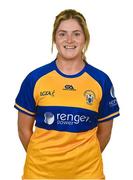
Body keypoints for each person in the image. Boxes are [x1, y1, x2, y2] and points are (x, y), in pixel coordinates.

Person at [14, 9, 120, 180]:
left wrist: (81, 161)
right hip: (39, 174)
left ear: (85, 38)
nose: (69, 40)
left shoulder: (101, 81)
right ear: (55, 39)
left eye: (76, 34)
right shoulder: (35, 79)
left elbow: (105, 133)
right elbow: (24, 130)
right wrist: (44, 160)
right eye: (62, 34)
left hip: (88, 174)